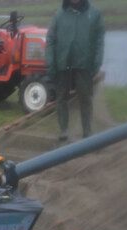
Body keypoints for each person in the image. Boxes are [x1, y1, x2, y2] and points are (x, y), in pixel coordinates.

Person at [46, 0, 105, 142]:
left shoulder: (95, 14)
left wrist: (96, 63)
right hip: (62, 63)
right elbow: (50, 40)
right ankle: (64, 130)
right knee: (61, 98)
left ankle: (87, 131)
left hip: (84, 64)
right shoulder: (59, 15)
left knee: (85, 98)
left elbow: (99, 41)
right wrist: (51, 63)